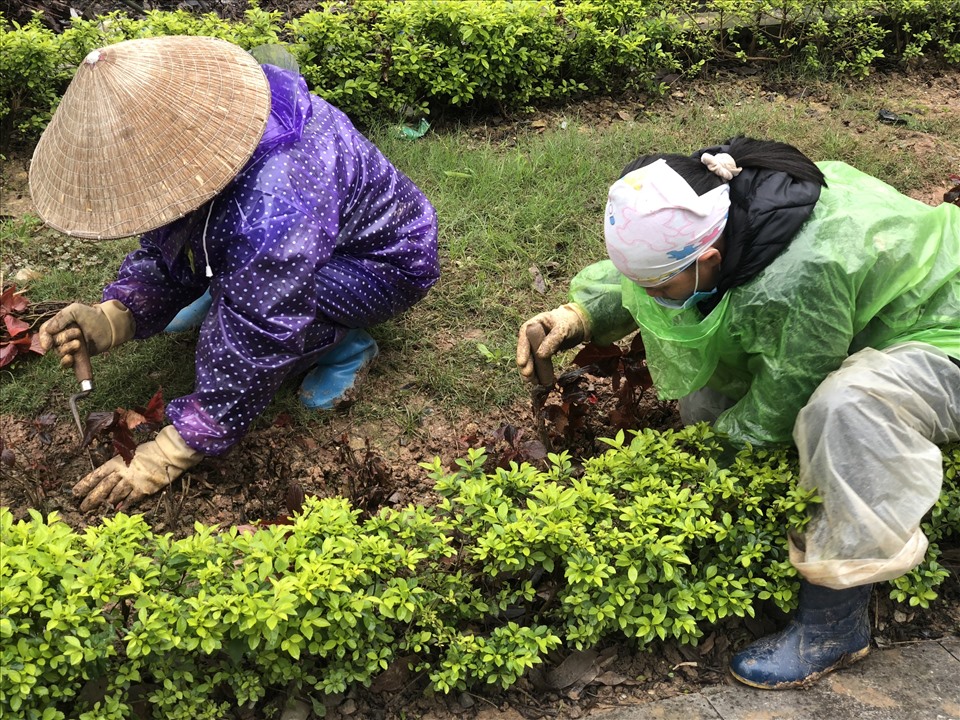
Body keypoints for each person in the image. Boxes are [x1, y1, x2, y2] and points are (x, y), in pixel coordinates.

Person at [517, 136, 960, 689]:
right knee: (710, 384)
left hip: (944, 331)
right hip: (868, 309)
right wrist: (579, 314)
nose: (648, 297)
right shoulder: (724, 198)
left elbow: (783, 398)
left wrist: (705, 472)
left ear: (709, 259)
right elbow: (652, 272)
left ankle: (834, 625)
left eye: (657, 287)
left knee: (849, 410)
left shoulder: (803, 274)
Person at [32, 36, 440, 512]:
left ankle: (346, 344)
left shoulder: (274, 204)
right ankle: (232, 288)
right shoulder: (206, 135)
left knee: (258, 307)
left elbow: (261, 330)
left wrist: (173, 448)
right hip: (298, 247)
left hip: (381, 265)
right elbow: (175, 231)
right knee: (239, 288)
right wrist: (118, 313)